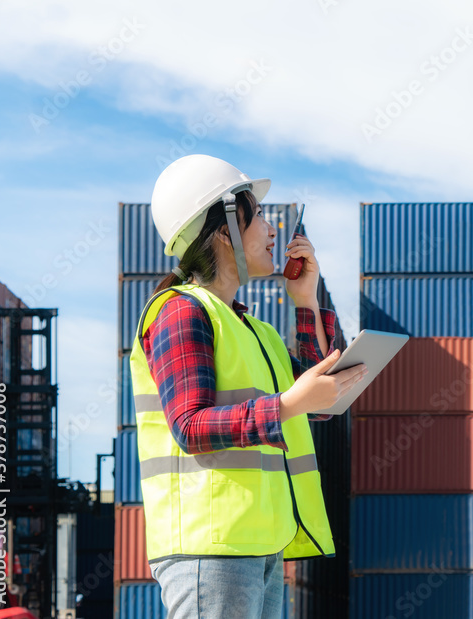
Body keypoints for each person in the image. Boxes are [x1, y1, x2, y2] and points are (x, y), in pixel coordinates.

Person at [127, 154, 367, 618]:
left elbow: (316, 403)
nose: (274, 229)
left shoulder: (257, 332)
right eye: (259, 215)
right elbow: (191, 426)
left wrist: (307, 299)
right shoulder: (180, 310)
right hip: (210, 547)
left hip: (259, 544)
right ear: (223, 231)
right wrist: (287, 405)